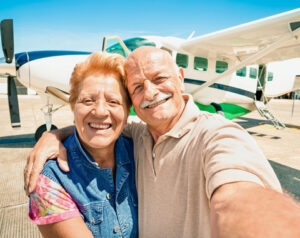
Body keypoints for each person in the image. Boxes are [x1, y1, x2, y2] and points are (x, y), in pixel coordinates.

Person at [25, 46, 300, 238]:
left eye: (160, 79)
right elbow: (102, 123)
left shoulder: (218, 135)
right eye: (138, 87)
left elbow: (237, 198)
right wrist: (54, 135)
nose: (151, 92)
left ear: (180, 79)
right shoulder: (139, 136)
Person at [28, 52, 138, 238]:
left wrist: (56, 133)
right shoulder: (49, 181)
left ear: (127, 112)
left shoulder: (140, 150)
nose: (101, 111)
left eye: (113, 101)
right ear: (73, 107)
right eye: (88, 100)